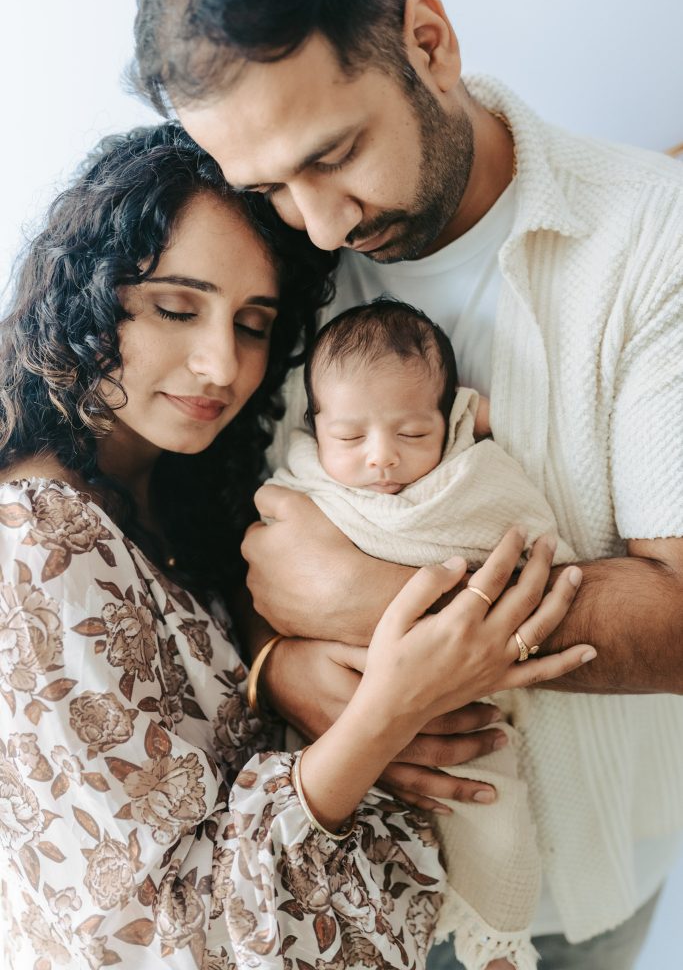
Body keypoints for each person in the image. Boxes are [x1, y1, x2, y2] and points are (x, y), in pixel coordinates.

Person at [131, 0, 683, 966]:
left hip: (592, 879)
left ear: (426, 43)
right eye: (273, 185)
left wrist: (365, 594)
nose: (320, 221)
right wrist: (275, 666)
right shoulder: (267, 261)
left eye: (334, 153)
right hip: (346, 894)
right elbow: (215, 531)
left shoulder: (654, 240)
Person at [0, 122, 590, 970]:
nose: (220, 366)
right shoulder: (35, 544)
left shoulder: (173, 479)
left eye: (252, 325)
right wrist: (385, 714)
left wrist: (275, 664)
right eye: (175, 307)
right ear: (87, 295)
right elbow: (161, 934)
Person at [268, 297, 582, 969]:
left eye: (412, 433)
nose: (381, 459)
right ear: (313, 424)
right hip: (339, 712)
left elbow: (520, 533)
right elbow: (269, 569)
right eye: (349, 438)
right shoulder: (301, 483)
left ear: (451, 418)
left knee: (491, 809)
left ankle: (496, 942)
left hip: (462, 707)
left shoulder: (469, 470)